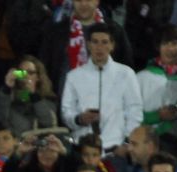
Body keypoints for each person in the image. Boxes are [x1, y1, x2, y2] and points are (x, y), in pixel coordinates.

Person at [60, 23, 142, 152]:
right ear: (88, 44)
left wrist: (126, 142)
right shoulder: (73, 76)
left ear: (112, 45)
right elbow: (66, 112)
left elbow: (135, 111)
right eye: (95, 42)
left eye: (104, 42)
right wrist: (79, 119)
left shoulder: (126, 74)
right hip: (82, 148)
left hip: (115, 149)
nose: (99, 47)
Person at [136, 25, 177, 131]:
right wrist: (157, 116)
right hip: (146, 138)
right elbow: (130, 112)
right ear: (158, 46)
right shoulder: (142, 76)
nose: (169, 49)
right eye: (165, 43)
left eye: (174, 44)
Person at [0, 55, 58, 137]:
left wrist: (34, 95)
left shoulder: (47, 97)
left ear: (38, 77)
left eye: (30, 73)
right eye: (22, 73)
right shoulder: (10, 97)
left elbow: (48, 122)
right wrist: (7, 87)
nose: (26, 76)